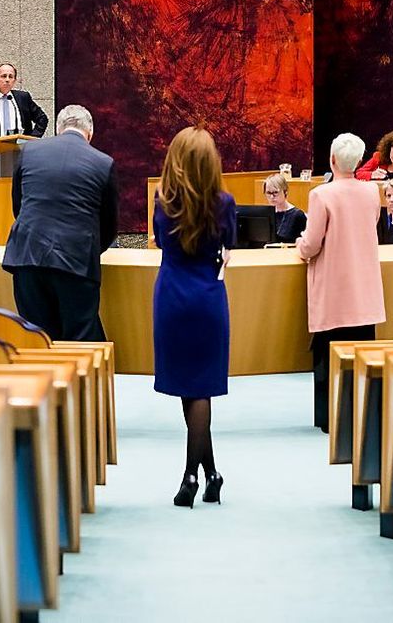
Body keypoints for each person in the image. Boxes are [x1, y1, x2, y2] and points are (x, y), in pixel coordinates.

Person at [152, 126, 235, 508]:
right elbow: (227, 246)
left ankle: (193, 476)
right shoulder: (225, 202)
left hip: (171, 297)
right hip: (208, 299)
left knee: (191, 387)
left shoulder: (162, 201)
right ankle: (207, 474)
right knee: (199, 386)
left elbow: (162, 240)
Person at [2, 104, 118, 340]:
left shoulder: (29, 153)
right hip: (75, 260)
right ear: (90, 133)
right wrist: (91, 250)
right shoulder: (103, 163)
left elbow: (19, 206)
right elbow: (109, 224)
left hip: (27, 257)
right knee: (81, 341)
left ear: (58, 129)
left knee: (41, 341)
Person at [297, 133, 386, 432]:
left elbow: (310, 244)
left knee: (329, 353)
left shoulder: (321, 195)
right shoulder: (372, 191)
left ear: (332, 160)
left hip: (334, 288)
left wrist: (298, 245)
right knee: (362, 354)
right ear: (359, 161)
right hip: (364, 288)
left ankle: (331, 419)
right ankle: (362, 415)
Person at [264, 173, 307, 243]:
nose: (272, 197)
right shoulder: (265, 214)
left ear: (285, 192)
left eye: (275, 192)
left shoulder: (297, 215)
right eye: (268, 193)